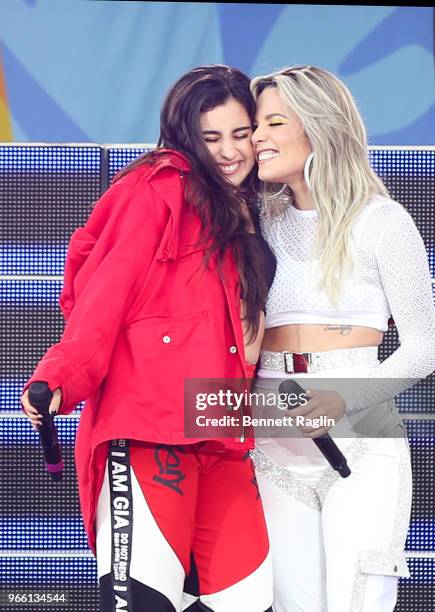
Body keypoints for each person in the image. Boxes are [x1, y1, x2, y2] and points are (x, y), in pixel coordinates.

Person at [21, 64, 275, 612]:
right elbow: (101, 298)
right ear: (187, 136)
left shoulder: (255, 206)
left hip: (223, 435)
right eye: (212, 138)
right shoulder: (154, 191)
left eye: (240, 134)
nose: (231, 151)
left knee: (249, 603)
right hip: (149, 431)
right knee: (147, 602)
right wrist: (59, 377)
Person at [248, 65, 435, 612]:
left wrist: (341, 398)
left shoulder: (383, 222)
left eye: (273, 122)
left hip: (361, 446)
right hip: (271, 447)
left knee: (360, 601)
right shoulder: (259, 223)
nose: (257, 137)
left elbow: (425, 344)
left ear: (318, 126)